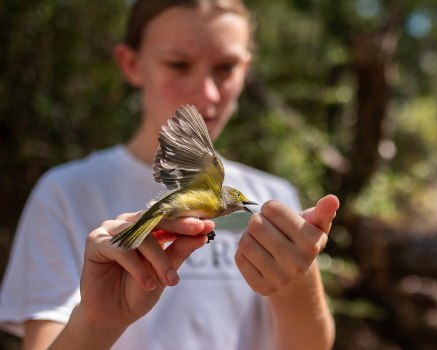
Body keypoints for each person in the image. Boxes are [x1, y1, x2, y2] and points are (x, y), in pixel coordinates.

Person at [0, 0, 340, 349]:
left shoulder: (274, 197)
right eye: (178, 64)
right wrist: (97, 323)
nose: (207, 92)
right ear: (131, 64)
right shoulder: (65, 194)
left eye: (226, 67)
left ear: (246, 69)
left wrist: (299, 278)